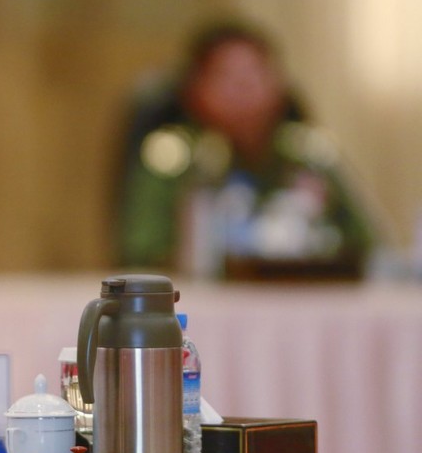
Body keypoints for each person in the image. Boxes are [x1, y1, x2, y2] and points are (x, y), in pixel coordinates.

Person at [115, 18, 374, 277]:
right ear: (194, 90)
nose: (245, 86)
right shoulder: (175, 160)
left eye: (257, 72)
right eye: (227, 75)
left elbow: (370, 247)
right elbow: (141, 255)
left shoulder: (310, 155)